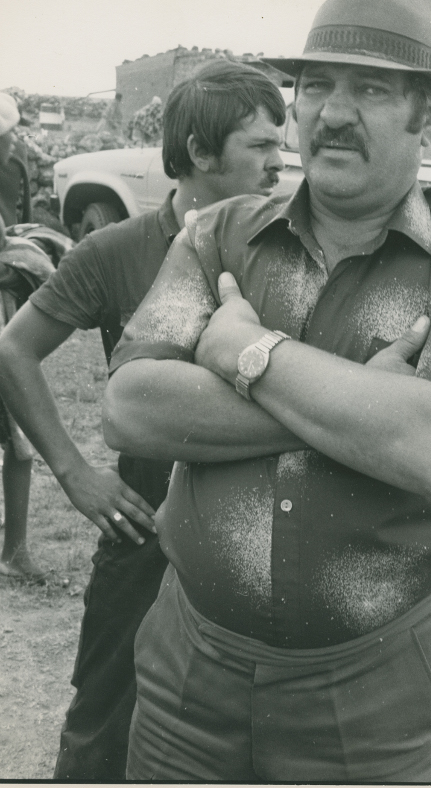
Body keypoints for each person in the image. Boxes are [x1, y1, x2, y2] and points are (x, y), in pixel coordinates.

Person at [104, 0, 431, 784]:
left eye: (371, 88)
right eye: (314, 85)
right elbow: (130, 407)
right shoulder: (219, 233)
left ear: (430, 116)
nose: (331, 112)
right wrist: (361, 401)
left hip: (370, 705)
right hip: (184, 679)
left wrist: (245, 353)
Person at [0, 60, 286, 780]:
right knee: (103, 728)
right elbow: (15, 347)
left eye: (281, 144)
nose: (281, 162)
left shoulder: (288, 252)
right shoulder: (117, 251)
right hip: (144, 536)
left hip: (266, 544)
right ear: (198, 151)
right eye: (260, 145)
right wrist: (72, 471)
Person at [0, 92, 57, 581]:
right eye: (6, 135)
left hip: (5, 317)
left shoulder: (13, 168)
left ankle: (14, 549)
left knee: (17, 438)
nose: (13, 141)